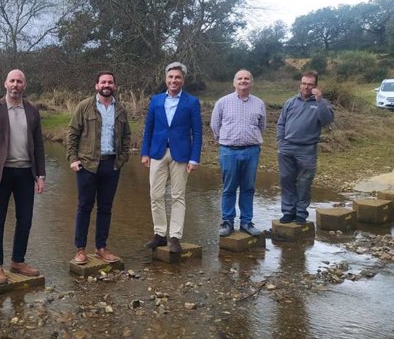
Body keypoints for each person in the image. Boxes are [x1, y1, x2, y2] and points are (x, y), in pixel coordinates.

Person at [0, 69, 46, 285]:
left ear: (24, 85)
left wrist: (41, 175)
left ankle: (18, 261)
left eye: (19, 81)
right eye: (12, 81)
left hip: (26, 172)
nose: (16, 84)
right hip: (1, 174)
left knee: (25, 219)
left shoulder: (32, 111)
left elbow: (39, 145)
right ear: (5, 84)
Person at [67, 71, 131, 264]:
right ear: (96, 85)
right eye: (103, 82)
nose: (106, 85)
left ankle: (101, 248)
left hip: (111, 165)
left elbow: (127, 136)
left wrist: (123, 157)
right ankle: (80, 250)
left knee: (106, 208)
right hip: (87, 165)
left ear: (114, 86)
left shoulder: (120, 109)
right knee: (84, 207)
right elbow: (72, 134)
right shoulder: (84, 106)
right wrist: (73, 158)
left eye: (110, 82)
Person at [141, 62, 203, 253]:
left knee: (178, 196)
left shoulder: (191, 102)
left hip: (181, 154)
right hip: (157, 152)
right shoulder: (156, 100)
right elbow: (148, 128)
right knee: (155, 195)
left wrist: (194, 159)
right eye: (171, 77)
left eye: (177, 77)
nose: (173, 80)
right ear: (165, 79)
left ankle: (175, 237)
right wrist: (144, 152)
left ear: (183, 80)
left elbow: (198, 133)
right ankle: (159, 234)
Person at [210, 69, 266, 237]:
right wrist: (225, 140)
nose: (243, 81)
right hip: (229, 151)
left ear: (251, 82)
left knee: (248, 188)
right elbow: (215, 125)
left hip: (251, 151)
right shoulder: (223, 102)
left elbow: (262, 126)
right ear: (234, 82)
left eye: (246, 78)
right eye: (240, 78)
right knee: (229, 188)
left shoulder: (259, 103)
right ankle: (227, 222)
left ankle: (246, 222)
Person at [276, 71, 334, 224]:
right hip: (287, 148)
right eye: (304, 83)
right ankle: (288, 212)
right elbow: (281, 123)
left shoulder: (322, 103)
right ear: (300, 84)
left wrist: (320, 100)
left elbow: (327, 121)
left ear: (316, 86)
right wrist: (281, 142)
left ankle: (301, 213)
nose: (306, 87)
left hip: (307, 149)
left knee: (304, 182)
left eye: (310, 84)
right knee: (286, 180)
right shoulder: (290, 102)